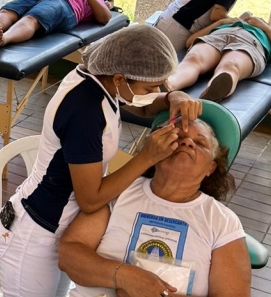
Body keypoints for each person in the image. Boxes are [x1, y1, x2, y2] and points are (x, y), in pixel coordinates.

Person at [0, 25, 202, 296]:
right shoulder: (84, 111)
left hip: (59, 223)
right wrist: (147, 157)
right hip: (35, 232)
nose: (156, 89)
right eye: (152, 85)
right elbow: (90, 199)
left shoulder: (100, 81)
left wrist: (173, 96)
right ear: (120, 78)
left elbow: (143, 103)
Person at [59, 120, 250, 297]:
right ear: (155, 150)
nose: (187, 143)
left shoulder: (222, 221)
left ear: (211, 168)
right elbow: (69, 255)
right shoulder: (121, 191)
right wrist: (125, 277)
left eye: (200, 143)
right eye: (177, 138)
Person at [166, 13, 271, 101]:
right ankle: (169, 85)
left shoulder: (266, 35)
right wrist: (221, 22)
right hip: (217, 36)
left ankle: (214, 91)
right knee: (193, 58)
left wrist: (264, 27)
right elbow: (190, 42)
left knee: (231, 66)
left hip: (250, 42)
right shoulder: (224, 25)